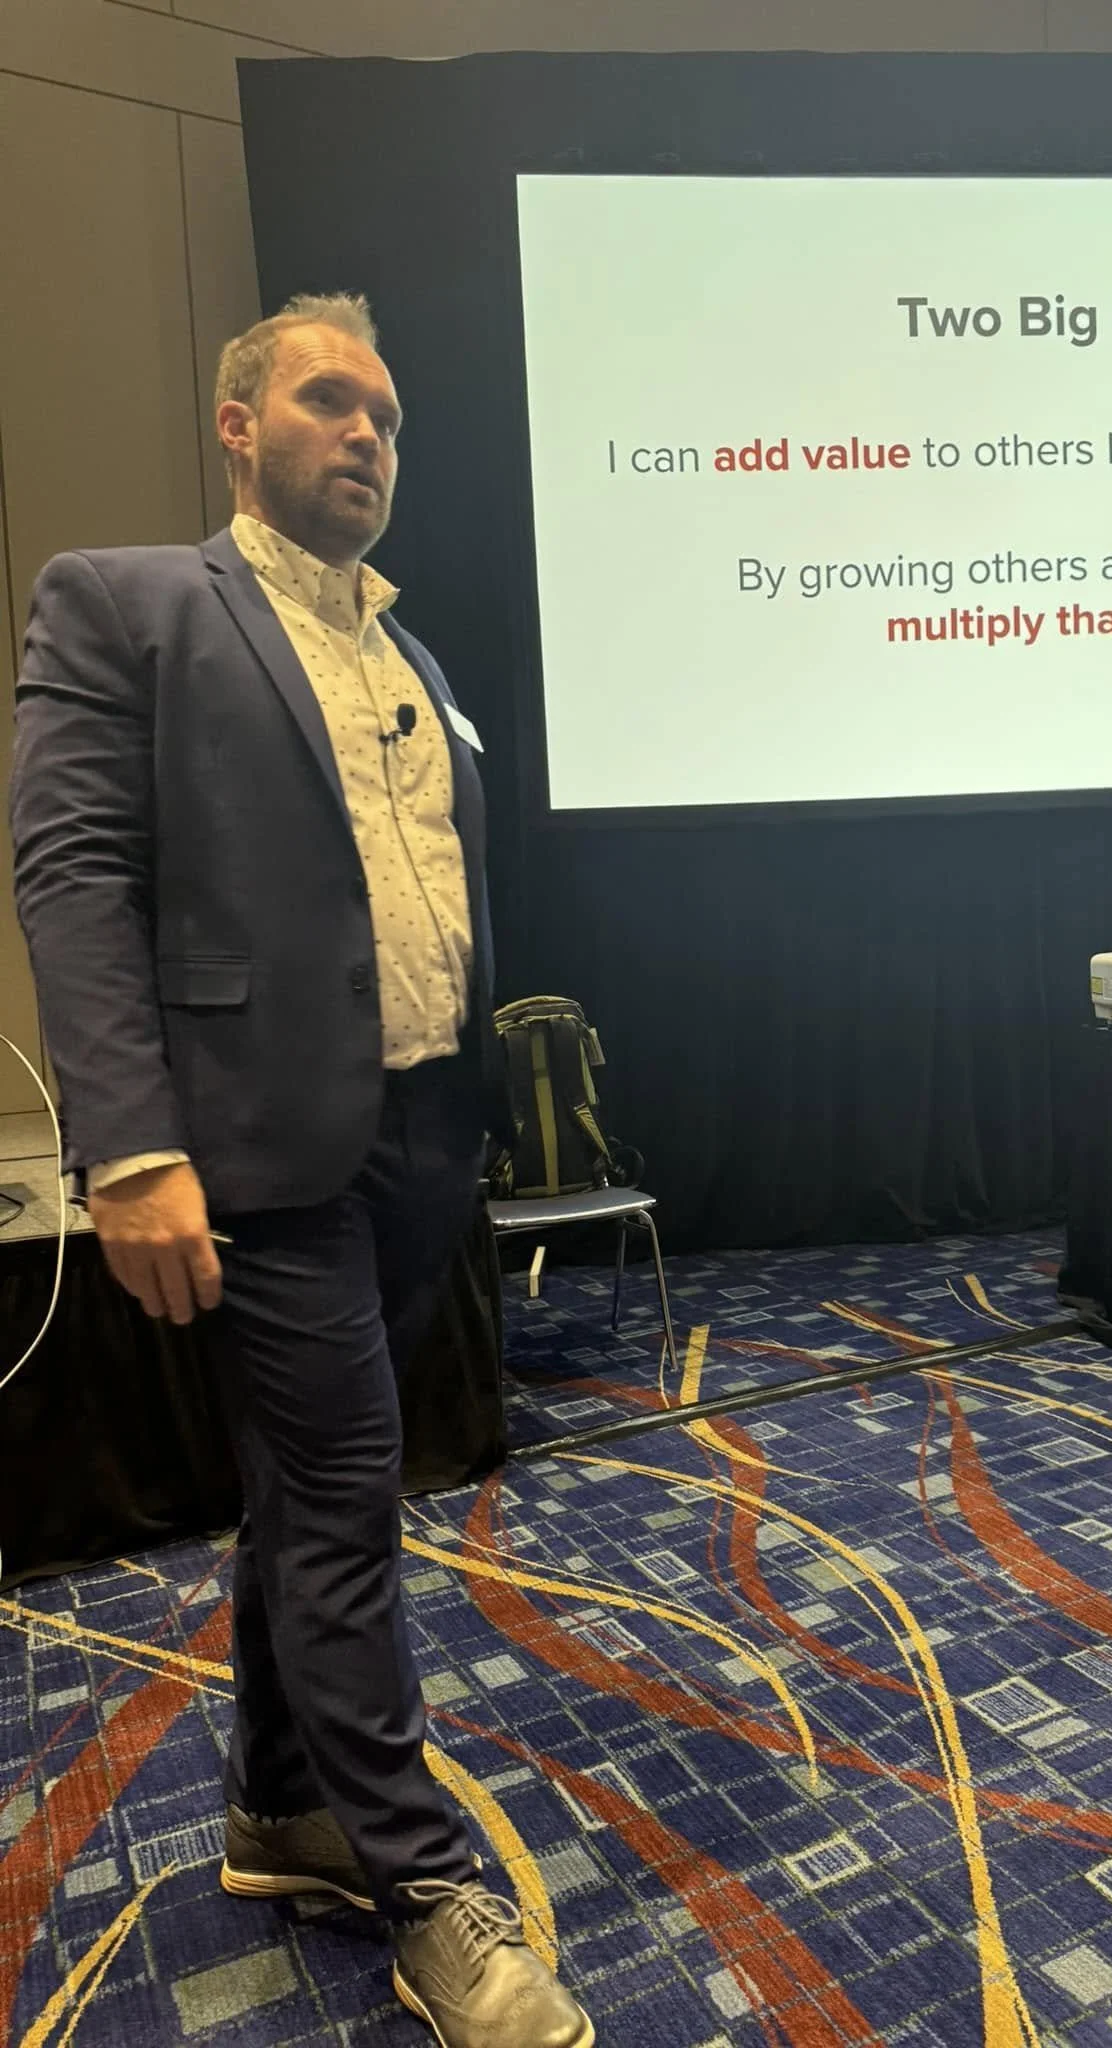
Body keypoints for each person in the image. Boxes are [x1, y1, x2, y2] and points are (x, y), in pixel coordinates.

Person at [9, 293, 593, 2048]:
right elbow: (73, 877)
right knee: (342, 1500)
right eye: (330, 402)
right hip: (255, 1159)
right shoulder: (130, 602)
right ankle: (421, 1886)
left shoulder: (410, 654)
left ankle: (280, 1808)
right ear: (237, 424)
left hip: (416, 1135)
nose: (369, 438)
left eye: (390, 418)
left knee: (304, 1495)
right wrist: (128, 1148)